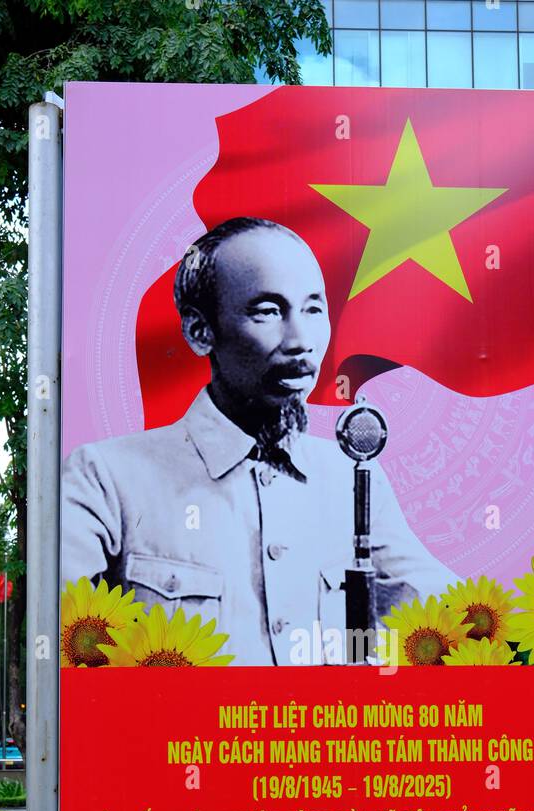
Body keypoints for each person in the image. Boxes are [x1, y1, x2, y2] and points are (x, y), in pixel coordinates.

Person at [62, 217, 456, 665]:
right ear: (199, 331)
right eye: (268, 311)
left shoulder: (350, 479)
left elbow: (450, 617)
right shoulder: (107, 480)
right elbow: (65, 658)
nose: (300, 341)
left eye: (313, 310)